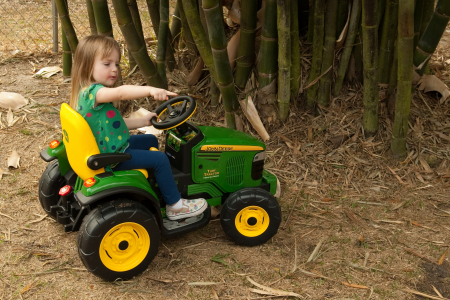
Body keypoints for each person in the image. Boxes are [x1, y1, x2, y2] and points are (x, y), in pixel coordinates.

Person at [69, 35, 207, 220]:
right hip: (112, 158)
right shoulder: (95, 93)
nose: (114, 69)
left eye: (116, 64)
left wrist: (143, 122)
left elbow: (113, 124)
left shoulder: (84, 93)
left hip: (109, 147)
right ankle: (176, 206)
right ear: (87, 65)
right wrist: (150, 90)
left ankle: (157, 182)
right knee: (159, 159)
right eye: (107, 64)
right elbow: (120, 92)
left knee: (150, 139)